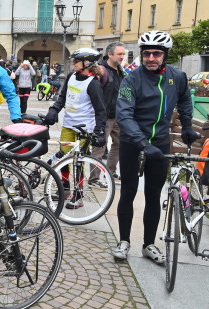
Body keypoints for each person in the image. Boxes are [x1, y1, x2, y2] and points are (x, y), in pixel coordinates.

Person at [112, 31, 198, 264]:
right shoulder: (131, 79)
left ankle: (148, 244)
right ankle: (124, 241)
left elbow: (185, 99)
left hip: (159, 143)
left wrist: (187, 125)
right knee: (128, 191)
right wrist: (142, 144)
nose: (151, 58)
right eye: (147, 53)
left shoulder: (177, 76)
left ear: (165, 55)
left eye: (156, 53)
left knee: (153, 194)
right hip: (132, 143)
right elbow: (124, 115)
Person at [42, 48, 107, 209]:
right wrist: (54, 110)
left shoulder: (93, 84)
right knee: (63, 157)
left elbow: (101, 110)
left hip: (85, 128)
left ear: (87, 63)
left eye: (76, 61)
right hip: (69, 124)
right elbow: (63, 96)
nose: (73, 63)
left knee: (78, 161)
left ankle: (78, 195)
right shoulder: (71, 76)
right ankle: (65, 189)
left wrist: (99, 132)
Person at [89, 42, 126, 185]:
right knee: (99, 146)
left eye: (123, 54)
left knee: (119, 143)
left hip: (117, 115)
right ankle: (94, 178)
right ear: (110, 54)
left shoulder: (120, 70)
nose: (122, 57)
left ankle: (110, 172)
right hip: (103, 116)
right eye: (119, 54)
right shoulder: (101, 70)